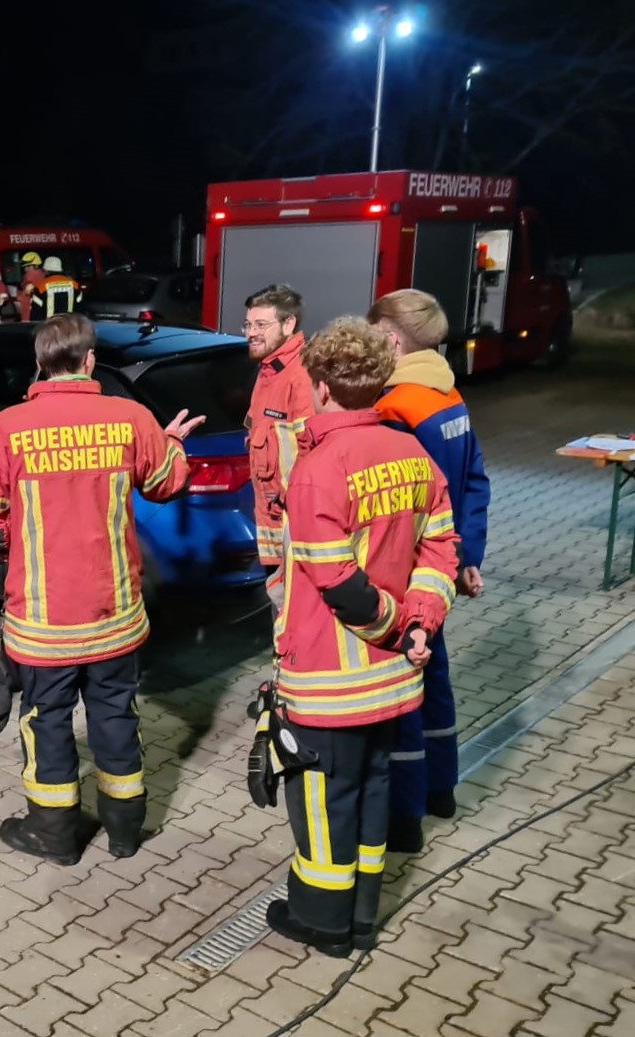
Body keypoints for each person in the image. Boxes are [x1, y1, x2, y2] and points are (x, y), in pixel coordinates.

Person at [0, 313, 206, 863]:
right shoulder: (129, 418)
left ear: (39, 364)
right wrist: (169, 443)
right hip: (115, 613)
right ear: (90, 361)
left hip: (43, 621)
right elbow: (167, 483)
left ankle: (54, 837)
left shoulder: (6, 428)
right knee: (115, 714)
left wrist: (19, 557)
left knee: (47, 721)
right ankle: (124, 832)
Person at [264, 316, 459, 957]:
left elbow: (339, 584)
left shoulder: (320, 469)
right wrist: (422, 625)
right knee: (374, 792)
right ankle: (363, 916)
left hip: (331, 679)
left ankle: (321, 923)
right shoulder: (414, 455)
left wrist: (395, 626)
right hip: (396, 680)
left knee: (321, 800)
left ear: (320, 386)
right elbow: (440, 551)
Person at [370, 289, 490, 852]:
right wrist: (467, 559)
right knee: (436, 683)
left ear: (392, 340)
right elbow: (473, 485)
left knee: (400, 698)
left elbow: (391, 505)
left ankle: (404, 818)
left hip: (404, 575)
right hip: (442, 568)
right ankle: (442, 790)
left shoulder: (397, 408)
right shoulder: (449, 395)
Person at [244, 284, 316, 611]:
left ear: (289, 325)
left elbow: (312, 456)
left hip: (297, 534)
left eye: (261, 325)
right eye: (248, 325)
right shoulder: (269, 371)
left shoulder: (300, 376)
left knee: (291, 622)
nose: (251, 333)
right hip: (274, 532)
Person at [18, 251, 46, 321]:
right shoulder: (41, 278)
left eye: (28, 266)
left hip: (31, 319)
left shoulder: (32, 278)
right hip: (31, 318)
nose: (25, 269)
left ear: (35, 266)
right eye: (24, 267)